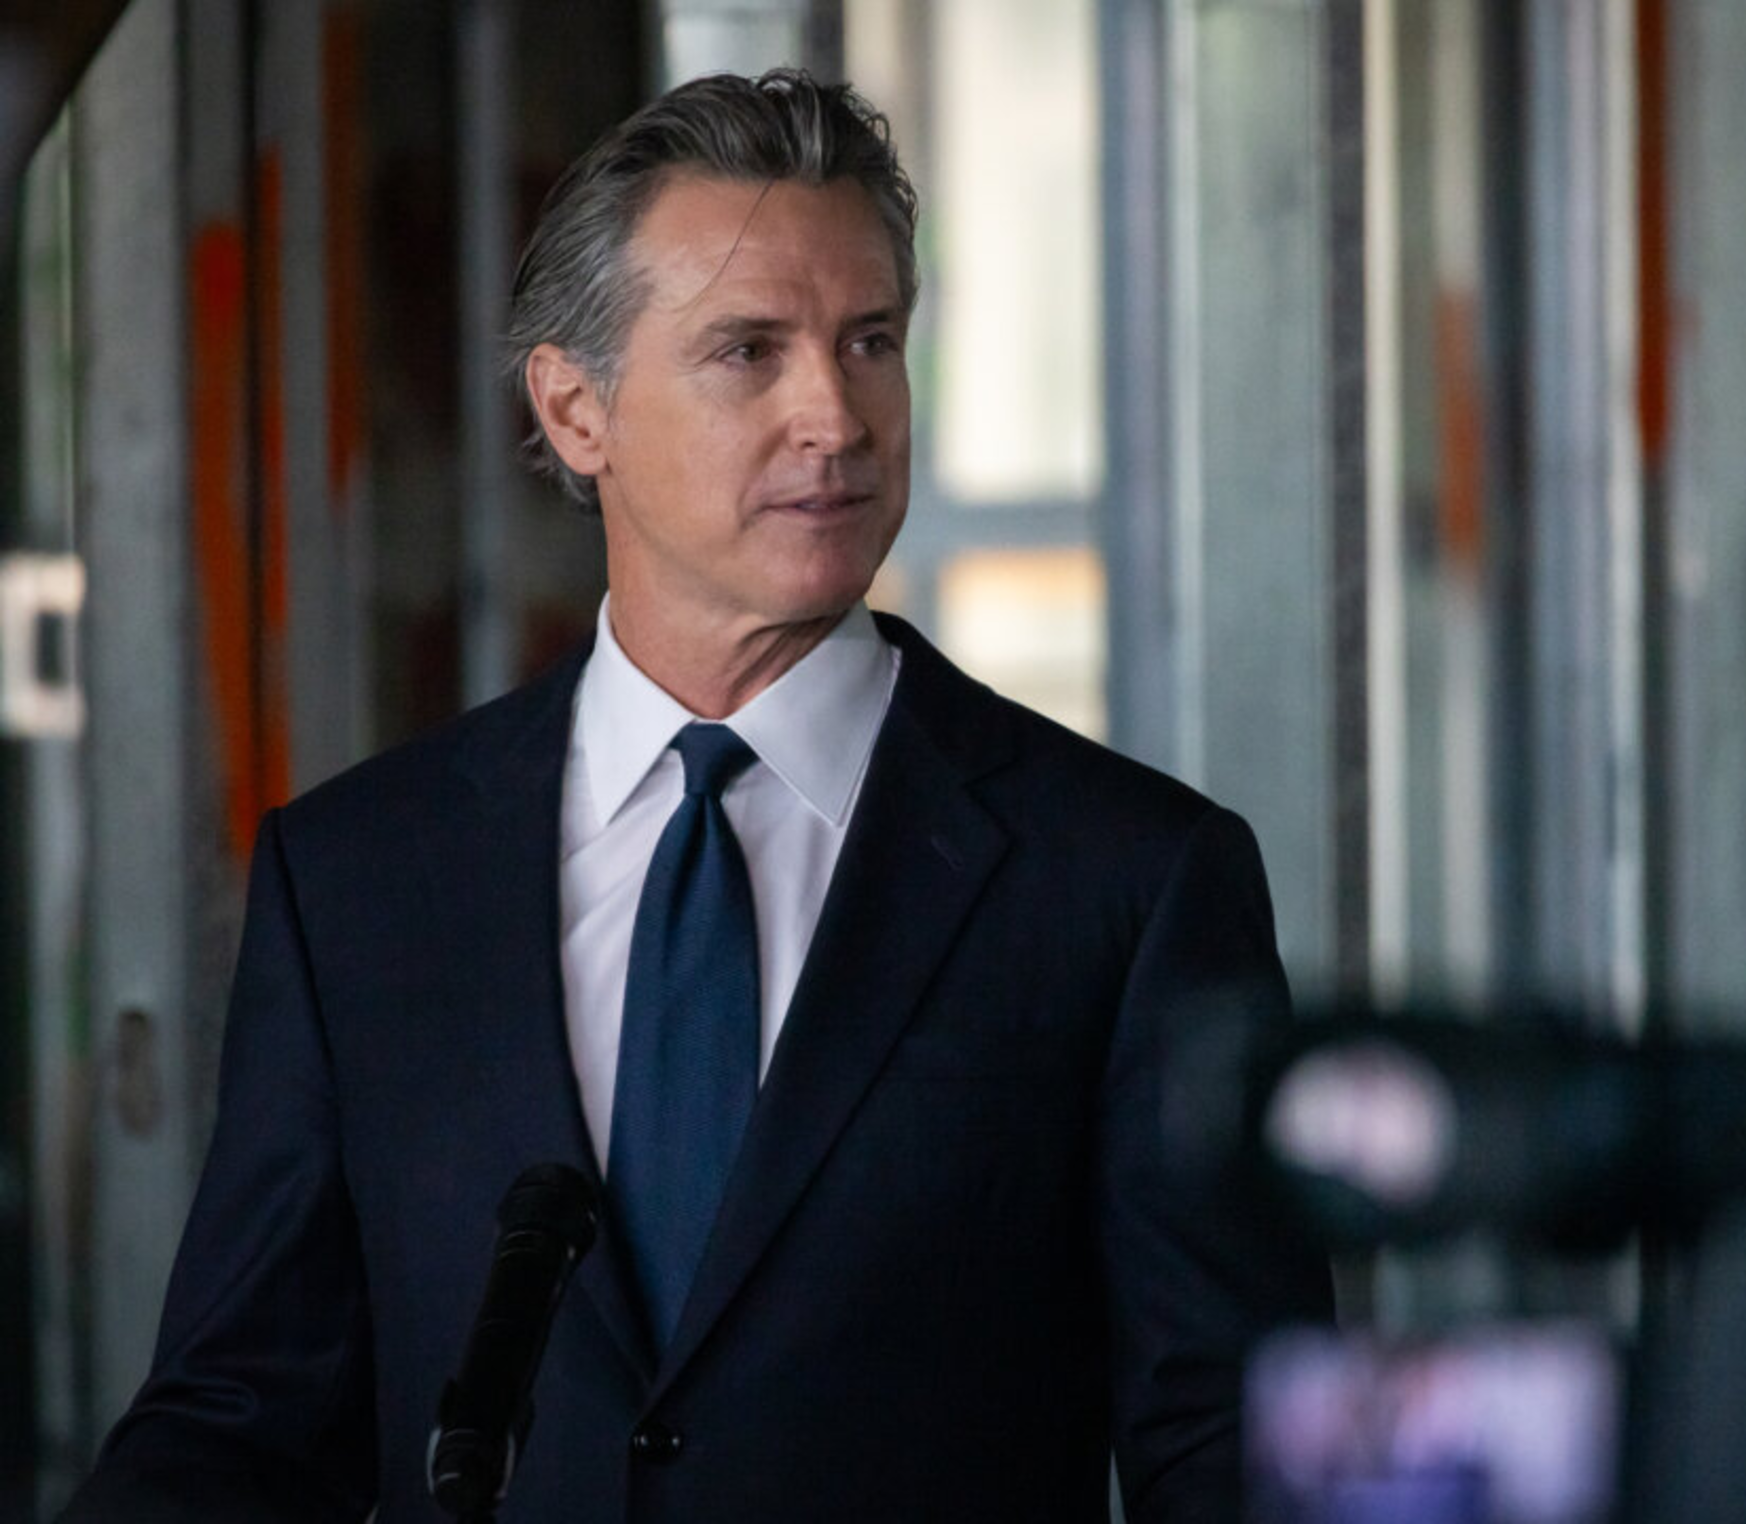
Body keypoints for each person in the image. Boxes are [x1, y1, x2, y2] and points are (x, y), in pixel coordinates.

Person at [63, 69, 1329, 1522]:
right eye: (748, 351)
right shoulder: (357, 879)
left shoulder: (1126, 880)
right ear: (575, 408)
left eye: (870, 342)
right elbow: (243, 1420)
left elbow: (1236, 1450)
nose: (834, 416)